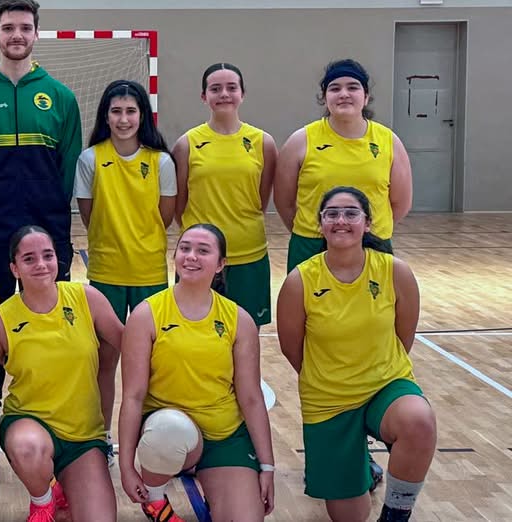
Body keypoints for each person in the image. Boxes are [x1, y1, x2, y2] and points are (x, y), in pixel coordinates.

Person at [0, 0, 83, 411]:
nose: (17, 35)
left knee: (52, 322)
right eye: (9, 27)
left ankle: (52, 408)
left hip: (48, 227)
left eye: (25, 27)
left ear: (37, 33)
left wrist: (50, 211)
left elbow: (68, 164)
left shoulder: (60, 97)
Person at [276, 186, 435, 522]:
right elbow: (292, 348)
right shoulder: (299, 281)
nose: (341, 220)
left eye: (351, 213)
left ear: (367, 223)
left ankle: (396, 514)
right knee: (349, 515)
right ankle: (358, 461)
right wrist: (331, 376)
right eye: (331, 213)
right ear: (320, 225)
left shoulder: (395, 272)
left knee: (418, 420)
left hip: (385, 387)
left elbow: (403, 336)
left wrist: (377, 370)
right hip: (328, 400)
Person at [118, 224, 275, 522]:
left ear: (220, 264)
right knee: (170, 430)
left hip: (224, 436)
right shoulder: (146, 314)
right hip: (168, 430)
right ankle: (154, 498)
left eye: (203, 250)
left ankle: (216, 480)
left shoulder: (238, 319)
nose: (191, 256)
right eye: (185, 248)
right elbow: (133, 396)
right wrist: (127, 466)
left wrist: (267, 466)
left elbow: (252, 398)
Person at [0, 225, 122, 522]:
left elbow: (130, 344)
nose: (41, 264)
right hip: (29, 422)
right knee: (28, 448)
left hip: (84, 437)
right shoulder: (2, 319)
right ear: (15, 268)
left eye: (47, 255)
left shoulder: (86, 298)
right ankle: (43, 499)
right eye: (29, 258)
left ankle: (60, 483)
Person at [75, 80, 174, 459]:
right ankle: (100, 437)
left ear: (143, 116)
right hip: (106, 273)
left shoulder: (161, 161)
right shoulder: (90, 159)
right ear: (105, 116)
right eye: (115, 111)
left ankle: (155, 438)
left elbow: (163, 217)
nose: (123, 118)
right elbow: (89, 216)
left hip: (150, 273)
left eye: (131, 111)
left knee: (154, 364)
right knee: (105, 360)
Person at [274, 58, 413, 273]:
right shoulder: (300, 141)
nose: (344, 94)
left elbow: (400, 203)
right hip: (311, 245)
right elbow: (284, 202)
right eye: (335, 88)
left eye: (353, 87)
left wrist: (360, 229)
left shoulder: (388, 141)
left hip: (372, 243)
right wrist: (319, 230)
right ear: (325, 97)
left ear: (366, 97)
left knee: (372, 307)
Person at [175, 63, 277, 327]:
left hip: (249, 255)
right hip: (199, 258)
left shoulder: (262, 142)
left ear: (242, 94)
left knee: (246, 335)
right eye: (215, 88)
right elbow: (179, 203)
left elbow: (261, 199)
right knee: (194, 333)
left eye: (231, 88)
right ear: (204, 96)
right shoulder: (187, 143)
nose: (224, 94)